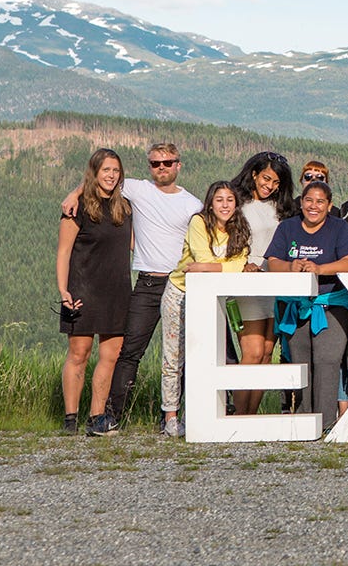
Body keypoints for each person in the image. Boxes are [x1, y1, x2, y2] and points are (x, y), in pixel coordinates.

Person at [63, 142, 203, 428]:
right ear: (149, 166)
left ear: (178, 165)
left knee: (186, 352)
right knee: (128, 353)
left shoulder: (194, 205)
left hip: (181, 284)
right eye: (155, 163)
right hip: (147, 284)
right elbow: (100, 179)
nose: (161, 168)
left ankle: (178, 415)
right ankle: (111, 416)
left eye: (167, 163)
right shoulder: (137, 189)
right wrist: (74, 193)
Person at [266, 182, 348, 430]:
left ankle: (326, 422)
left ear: (329, 205)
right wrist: (291, 266)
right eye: (309, 200)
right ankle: (303, 421)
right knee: (300, 362)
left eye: (320, 201)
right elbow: (273, 261)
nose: (314, 206)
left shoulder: (339, 227)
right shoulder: (287, 227)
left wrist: (319, 269)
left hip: (332, 303)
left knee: (327, 360)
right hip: (296, 306)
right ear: (301, 202)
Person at [159, 181, 251, 437]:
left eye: (229, 200)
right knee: (174, 355)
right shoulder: (199, 222)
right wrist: (218, 266)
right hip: (181, 292)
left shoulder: (239, 229)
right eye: (219, 200)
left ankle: (200, 412)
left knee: (207, 355)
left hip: (213, 297)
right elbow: (203, 257)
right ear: (210, 203)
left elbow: (239, 263)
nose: (225, 205)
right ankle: (170, 415)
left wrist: (208, 267)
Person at [56, 148, 133, 436]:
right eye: (106, 170)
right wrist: (63, 289)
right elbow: (64, 252)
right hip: (83, 288)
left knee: (111, 355)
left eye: (116, 170)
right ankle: (70, 419)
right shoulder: (76, 209)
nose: (111, 175)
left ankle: (96, 417)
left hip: (117, 290)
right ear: (95, 172)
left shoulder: (126, 208)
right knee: (79, 353)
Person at [228, 151, 296, 416]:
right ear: (254, 174)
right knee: (253, 351)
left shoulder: (281, 208)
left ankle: (250, 416)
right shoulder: (238, 203)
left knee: (267, 353)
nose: (270, 186)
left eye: (276, 182)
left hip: (276, 280)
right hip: (249, 279)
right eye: (266, 179)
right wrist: (243, 264)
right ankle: (238, 416)